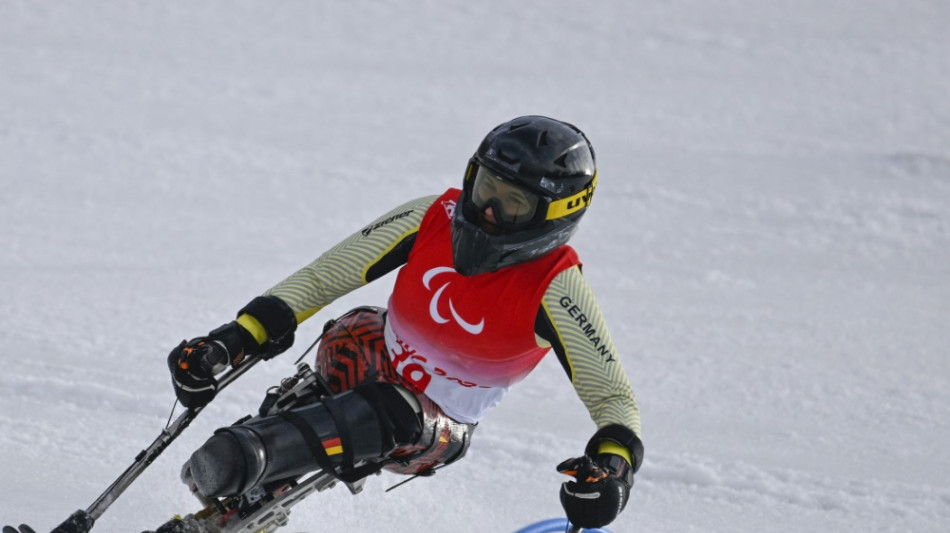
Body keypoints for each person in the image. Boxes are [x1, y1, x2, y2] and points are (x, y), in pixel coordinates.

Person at [168, 115, 644, 529]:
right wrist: (235, 339)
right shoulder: (432, 215)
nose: (488, 211)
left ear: (556, 214)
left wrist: (612, 470)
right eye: (485, 189)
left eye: (513, 202)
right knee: (352, 329)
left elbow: (614, 398)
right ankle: (263, 461)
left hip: (433, 426)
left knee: (389, 408)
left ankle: (253, 454)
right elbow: (323, 278)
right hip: (374, 356)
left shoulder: (556, 286)